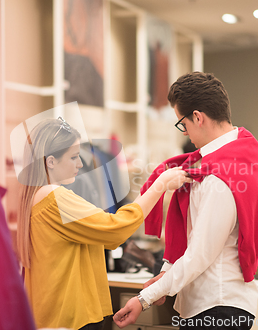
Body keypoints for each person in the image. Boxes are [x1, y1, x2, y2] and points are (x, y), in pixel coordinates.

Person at [114, 72, 258, 330]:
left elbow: (199, 255)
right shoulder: (231, 161)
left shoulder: (220, 176)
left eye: (182, 124)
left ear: (198, 117)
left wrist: (145, 298)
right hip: (215, 305)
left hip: (217, 307)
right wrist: (165, 276)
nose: (185, 133)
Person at [17, 117, 192, 330]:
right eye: (74, 157)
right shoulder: (54, 198)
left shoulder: (34, 198)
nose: (81, 164)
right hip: (71, 318)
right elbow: (116, 228)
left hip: (52, 315)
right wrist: (160, 184)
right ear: (50, 161)